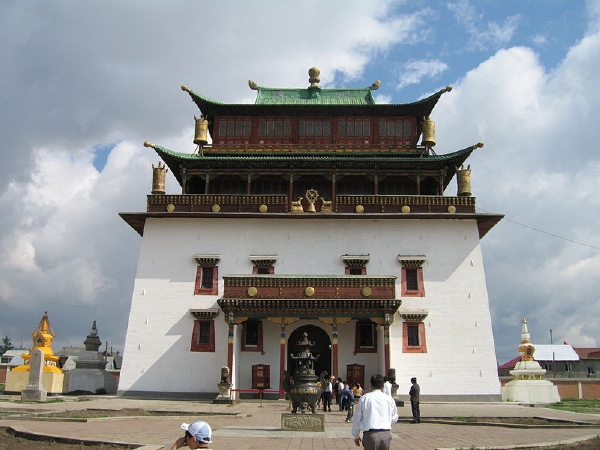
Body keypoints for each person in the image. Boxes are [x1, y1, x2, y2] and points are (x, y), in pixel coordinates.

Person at [351, 374, 398, 450]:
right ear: (383, 386)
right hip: (385, 434)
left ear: (371, 385)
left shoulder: (365, 398)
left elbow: (357, 419)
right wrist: (386, 422)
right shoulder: (389, 399)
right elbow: (395, 417)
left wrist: (356, 435)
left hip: (370, 435)